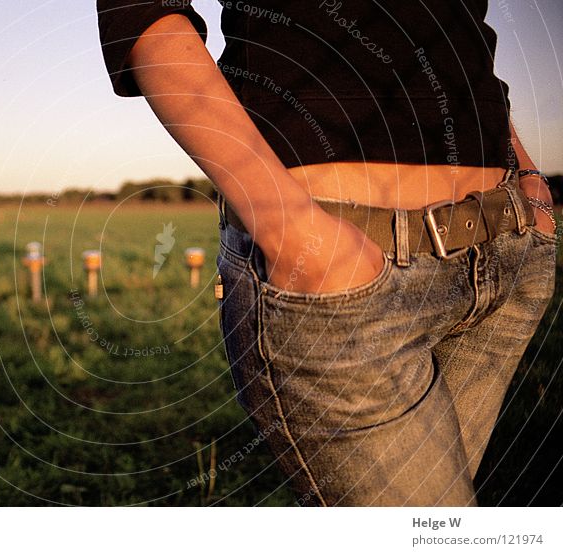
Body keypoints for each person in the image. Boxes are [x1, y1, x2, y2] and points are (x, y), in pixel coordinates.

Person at [96, 0, 558, 505]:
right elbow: (140, 12)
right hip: (345, 284)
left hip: (503, 251)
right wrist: (289, 226)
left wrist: (525, 172)